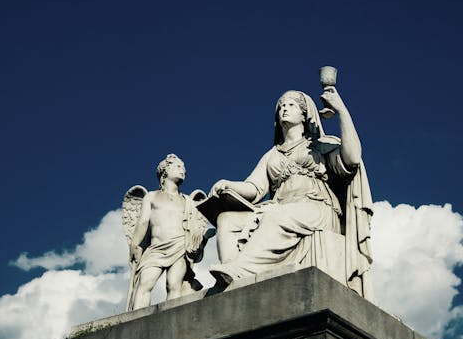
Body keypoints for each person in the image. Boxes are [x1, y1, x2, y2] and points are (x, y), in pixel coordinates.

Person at [207, 88, 372, 298]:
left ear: (304, 114)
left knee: (274, 215)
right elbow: (254, 188)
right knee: (227, 220)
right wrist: (228, 185)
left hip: (316, 208)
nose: (284, 109)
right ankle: (230, 281)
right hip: (281, 209)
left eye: (291, 105)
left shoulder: (319, 145)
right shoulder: (272, 155)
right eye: (281, 106)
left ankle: (241, 269)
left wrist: (341, 111)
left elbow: (352, 159)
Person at [126, 154, 208, 310]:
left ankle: (172, 318)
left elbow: (195, 228)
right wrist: (134, 245)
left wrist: (200, 238)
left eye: (184, 168)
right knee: (145, 283)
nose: (183, 170)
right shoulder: (151, 197)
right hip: (156, 249)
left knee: (174, 285)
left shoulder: (188, 201)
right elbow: (142, 223)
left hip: (180, 246)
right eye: (178, 166)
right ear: (165, 171)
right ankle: (137, 318)